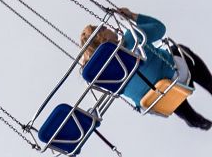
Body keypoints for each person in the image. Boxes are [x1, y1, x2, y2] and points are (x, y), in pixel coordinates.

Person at [80, 9, 212, 131]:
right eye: (103, 28)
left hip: (151, 103)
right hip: (175, 78)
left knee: (160, 90)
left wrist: (88, 60)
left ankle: (191, 117)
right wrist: (132, 16)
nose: (107, 27)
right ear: (103, 37)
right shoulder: (131, 38)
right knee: (178, 51)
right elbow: (160, 28)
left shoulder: (102, 74)